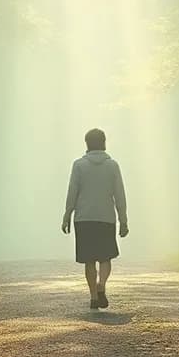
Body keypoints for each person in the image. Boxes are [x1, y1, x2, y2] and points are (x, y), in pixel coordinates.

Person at [61, 128, 129, 309]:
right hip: (106, 218)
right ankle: (101, 286)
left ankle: (93, 297)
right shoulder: (113, 165)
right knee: (105, 257)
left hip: (84, 218)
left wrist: (67, 215)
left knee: (89, 260)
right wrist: (123, 220)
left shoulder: (78, 165)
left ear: (87, 144)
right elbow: (119, 195)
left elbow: (72, 192)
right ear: (104, 143)